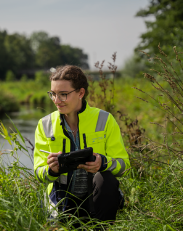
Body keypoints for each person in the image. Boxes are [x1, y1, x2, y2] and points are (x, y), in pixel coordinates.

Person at [33, 65, 130, 223]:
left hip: (97, 198)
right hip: (61, 200)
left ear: (81, 93)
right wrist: (51, 169)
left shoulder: (105, 120)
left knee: (106, 179)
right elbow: (39, 173)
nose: (56, 101)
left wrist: (103, 163)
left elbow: (124, 165)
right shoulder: (44, 124)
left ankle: (102, 227)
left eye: (63, 94)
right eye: (53, 94)